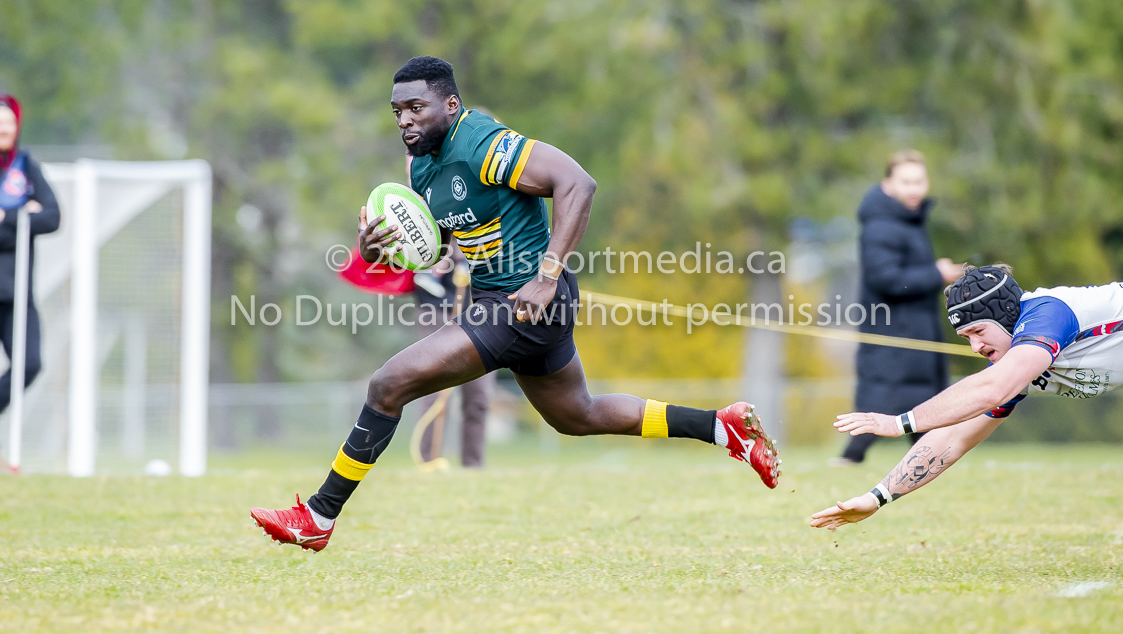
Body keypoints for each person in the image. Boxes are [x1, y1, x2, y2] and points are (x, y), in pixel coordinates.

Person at [252, 56, 780, 551]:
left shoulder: (482, 142)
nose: (406, 121)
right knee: (578, 415)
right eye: (398, 112)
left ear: (450, 106)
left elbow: (578, 182)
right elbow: (439, 244)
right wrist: (380, 251)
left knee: (389, 384)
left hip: (526, 300)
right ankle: (721, 426)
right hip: (504, 300)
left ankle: (319, 517)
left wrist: (547, 276)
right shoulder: (420, 168)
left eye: (417, 108)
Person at [810, 264, 1119, 530]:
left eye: (979, 331)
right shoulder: (1014, 368)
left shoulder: (1049, 313)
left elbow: (990, 388)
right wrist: (876, 497)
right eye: (966, 337)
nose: (975, 346)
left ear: (1009, 315)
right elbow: (953, 437)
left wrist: (900, 423)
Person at [832, 150, 963, 465]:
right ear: (888, 183)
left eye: (919, 181)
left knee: (923, 397)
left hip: (917, 327)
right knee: (882, 394)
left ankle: (927, 455)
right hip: (891, 329)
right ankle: (852, 456)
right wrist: (937, 274)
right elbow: (886, 279)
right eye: (906, 181)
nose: (914, 189)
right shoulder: (880, 225)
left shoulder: (910, 221)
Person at [0, 94, 60, 416]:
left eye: (8, 122)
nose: (4, 128)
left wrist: (10, 217)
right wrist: (22, 216)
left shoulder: (25, 168)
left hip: (16, 294)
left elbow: (52, 217)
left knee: (30, 364)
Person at [411, 250, 496, 468]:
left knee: (479, 396)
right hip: (438, 307)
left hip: (484, 309)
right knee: (435, 390)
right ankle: (427, 462)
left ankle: (473, 466)